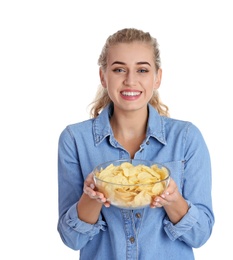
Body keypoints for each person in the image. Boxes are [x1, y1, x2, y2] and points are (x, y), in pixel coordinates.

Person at [57, 28, 215, 260]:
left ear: (157, 77)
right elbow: (72, 239)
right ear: (103, 76)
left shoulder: (186, 138)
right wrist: (91, 198)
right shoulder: (74, 140)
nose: (130, 80)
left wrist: (173, 200)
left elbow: (200, 235)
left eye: (142, 70)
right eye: (119, 69)